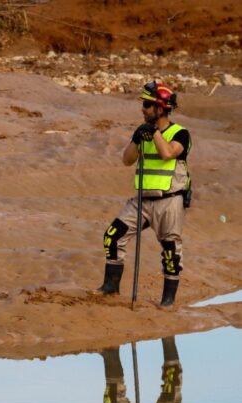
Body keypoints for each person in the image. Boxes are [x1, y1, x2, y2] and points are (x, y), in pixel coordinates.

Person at [98, 80, 192, 306]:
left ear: (160, 109)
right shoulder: (143, 132)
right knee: (112, 236)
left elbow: (169, 153)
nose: (143, 109)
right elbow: (126, 160)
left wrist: (155, 133)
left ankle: (167, 301)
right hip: (140, 201)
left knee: (171, 252)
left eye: (148, 105)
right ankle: (110, 288)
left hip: (169, 202)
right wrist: (138, 137)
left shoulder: (181, 134)